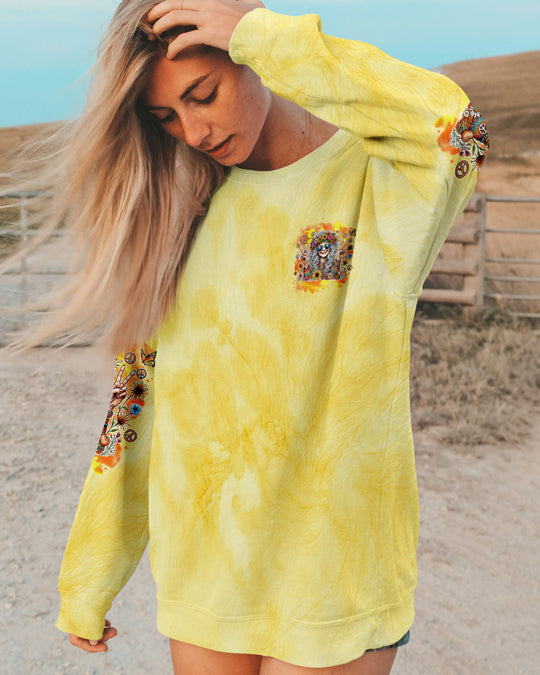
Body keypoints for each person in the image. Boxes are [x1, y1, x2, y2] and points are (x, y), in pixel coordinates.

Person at [7, 0, 489, 673]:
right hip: (206, 570)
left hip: (335, 567)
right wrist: (91, 570)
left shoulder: (379, 182)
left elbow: (461, 130)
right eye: (166, 117)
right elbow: (134, 410)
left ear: (251, 56)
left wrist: (267, 35)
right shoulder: (179, 219)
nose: (194, 131)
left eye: (203, 95)